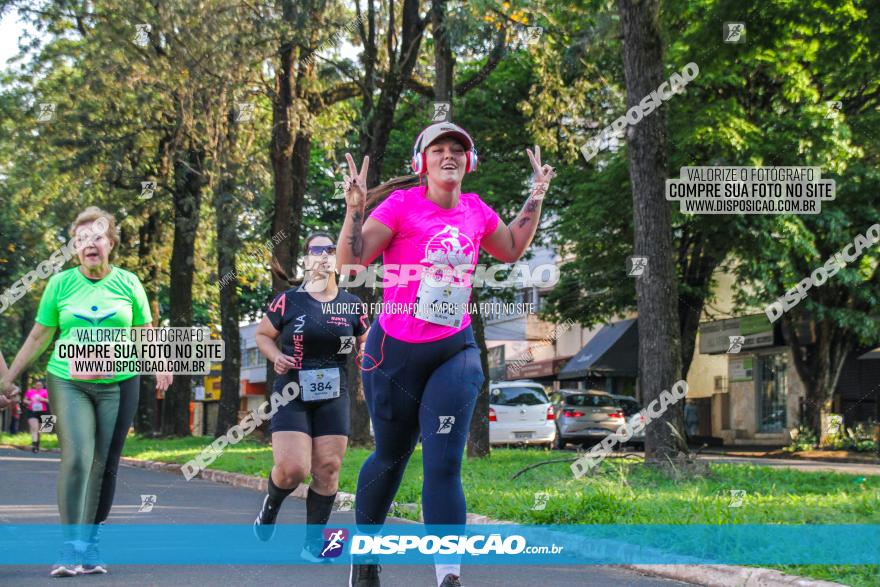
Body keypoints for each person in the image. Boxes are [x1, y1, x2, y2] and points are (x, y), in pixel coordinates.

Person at [337, 122, 555, 587]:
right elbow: (350, 264)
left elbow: (512, 247)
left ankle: (448, 575)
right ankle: (367, 557)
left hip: (452, 351)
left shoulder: (476, 210)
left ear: (469, 163)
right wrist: (354, 210)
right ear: (422, 163)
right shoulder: (399, 205)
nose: (449, 154)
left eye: (458, 149)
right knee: (391, 456)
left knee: (442, 461)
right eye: (439, 149)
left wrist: (535, 196)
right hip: (392, 354)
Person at [0, 207, 172, 577]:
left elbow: (145, 331)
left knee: (105, 466)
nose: (89, 244)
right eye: (81, 239)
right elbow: (39, 335)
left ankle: (90, 543)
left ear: (110, 243)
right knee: (78, 457)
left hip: (120, 382)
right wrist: (8, 379)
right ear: (74, 248)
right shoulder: (60, 284)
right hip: (68, 379)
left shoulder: (129, 283)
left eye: (96, 236)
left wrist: (160, 363)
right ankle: (69, 546)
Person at [251, 232, 369, 562]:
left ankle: (312, 544)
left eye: (330, 250)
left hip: (334, 392)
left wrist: (368, 355)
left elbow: (366, 342)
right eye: (316, 250)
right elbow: (263, 335)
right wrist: (275, 355)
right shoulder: (288, 301)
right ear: (306, 260)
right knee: (292, 469)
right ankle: (271, 504)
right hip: (292, 391)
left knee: (328, 468)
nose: (323, 255)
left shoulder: (352, 304)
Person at [23, 378, 50, 452]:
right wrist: (29, 402)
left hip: (42, 411)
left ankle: (37, 444)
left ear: (42, 386)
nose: (38, 386)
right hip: (32, 411)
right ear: (35, 385)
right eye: (37, 385)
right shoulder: (30, 392)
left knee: (39, 430)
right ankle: (34, 446)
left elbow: (49, 400)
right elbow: (24, 400)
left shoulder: (45, 392)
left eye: (40, 385)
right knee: (34, 428)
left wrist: (42, 399)